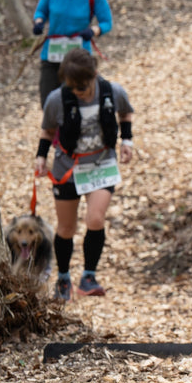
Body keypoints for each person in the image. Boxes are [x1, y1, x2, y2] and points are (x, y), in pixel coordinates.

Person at [35, 48, 135, 301]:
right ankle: (63, 278)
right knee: (66, 227)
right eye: (74, 87)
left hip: (101, 164)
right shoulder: (57, 99)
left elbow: (126, 112)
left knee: (95, 219)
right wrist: (40, 157)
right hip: (67, 168)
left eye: (84, 86)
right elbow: (47, 131)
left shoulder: (113, 91)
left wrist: (127, 141)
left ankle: (88, 277)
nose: (80, 91)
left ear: (94, 74)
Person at [32, 0, 113, 107]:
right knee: (49, 103)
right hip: (51, 54)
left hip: (78, 58)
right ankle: (53, 134)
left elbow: (106, 23)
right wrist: (39, 22)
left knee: (75, 103)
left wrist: (93, 31)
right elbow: (41, 11)